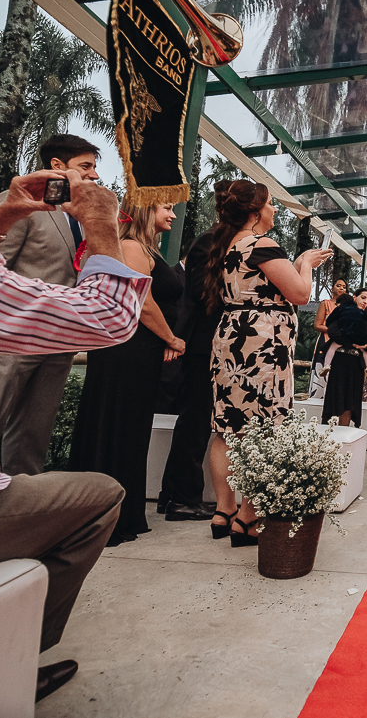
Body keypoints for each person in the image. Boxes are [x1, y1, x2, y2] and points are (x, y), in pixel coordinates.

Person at [0, 167, 149, 700]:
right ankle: (11, 660)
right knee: (101, 496)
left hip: (25, 333)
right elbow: (107, 316)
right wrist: (103, 226)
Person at [204, 180, 330, 546]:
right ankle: (248, 518)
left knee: (226, 426)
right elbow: (300, 293)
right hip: (262, 343)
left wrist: (296, 264)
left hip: (230, 337)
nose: (275, 210)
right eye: (271, 204)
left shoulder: (227, 245)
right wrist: (305, 264)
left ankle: (223, 511)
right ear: (255, 211)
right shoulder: (261, 244)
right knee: (264, 425)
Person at [0, 134, 100, 476]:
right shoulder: (21, 202)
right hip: (12, 335)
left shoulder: (81, 215)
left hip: (60, 338)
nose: (94, 175)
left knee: (34, 432)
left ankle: (23, 495)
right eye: (86, 166)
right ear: (57, 165)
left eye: (94, 167)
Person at [68, 199, 184, 546]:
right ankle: (106, 514)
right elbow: (141, 302)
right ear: (146, 209)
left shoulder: (147, 248)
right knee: (118, 425)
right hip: (126, 351)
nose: (172, 214)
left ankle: (121, 511)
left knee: (131, 429)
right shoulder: (132, 247)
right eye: (166, 207)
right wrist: (171, 338)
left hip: (140, 352)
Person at [158, 179, 232, 521]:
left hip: (210, 345)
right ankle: (182, 498)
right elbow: (203, 296)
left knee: (198, 422)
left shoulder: (219, 241)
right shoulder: (210, 242)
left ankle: (171, 495)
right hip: (202, 345)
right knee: (195, 422)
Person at [322, 288, 367, 427]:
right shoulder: (342, 312)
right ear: (354, 297)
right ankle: (328, 434)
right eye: (363, 297)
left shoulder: (366, 320)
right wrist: (353, 342)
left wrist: (364, 345)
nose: (365, 302)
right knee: (335, 397)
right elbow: (332, 332)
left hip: (356, 365)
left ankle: (344, 432)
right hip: (339, 361)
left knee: (350, 401)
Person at [309, 277, 347, 398]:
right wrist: (334, 331)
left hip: (341, 344)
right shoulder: (325, 303)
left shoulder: (347, 307)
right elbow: (317, 325)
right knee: (321, 370)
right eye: (338, 285)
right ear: (332, 288)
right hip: (325, 341)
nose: (341, 288)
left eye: (344, 287)